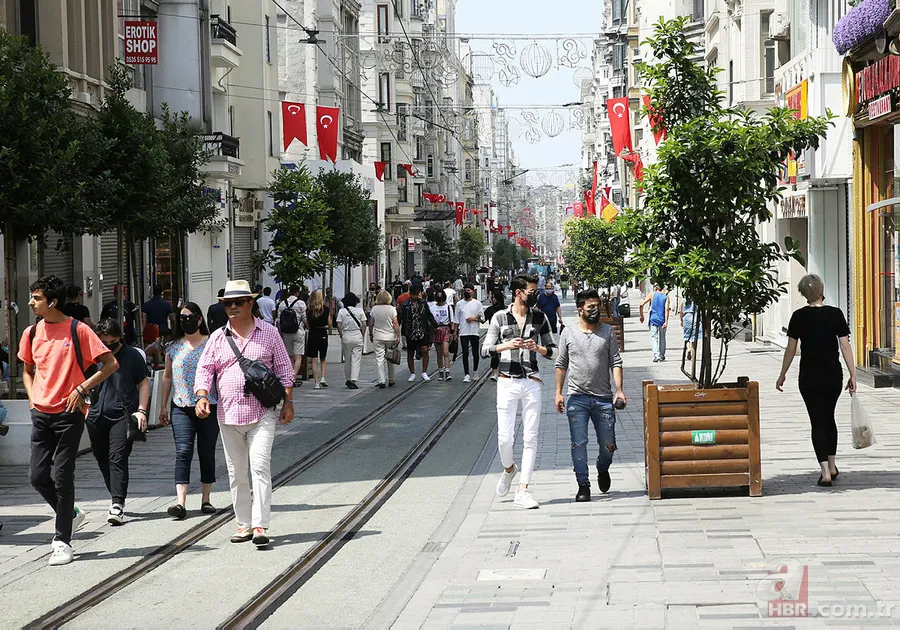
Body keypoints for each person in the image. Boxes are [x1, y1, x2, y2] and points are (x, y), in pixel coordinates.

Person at [19, 275, 118, 565]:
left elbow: (110, 364)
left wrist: (82, 388)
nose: (31, 302)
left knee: (62, 477)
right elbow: (27, 369)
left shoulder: (79, 330)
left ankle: (62, 541)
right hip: (41, 413)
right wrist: (31, 397)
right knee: (37, 477)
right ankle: (72, 514)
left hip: (69, 414)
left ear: (52, 301)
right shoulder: (31, 333)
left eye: (36, 298)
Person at [194, 280, 294, 547]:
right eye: (228, 303)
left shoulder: (270, 333)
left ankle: (260, 525)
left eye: (238, 302)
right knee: (236, 471)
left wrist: (288, 402)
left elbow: (285, 370)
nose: (233, 307)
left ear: (252, 303)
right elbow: (204, 370)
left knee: (259, 466)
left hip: (262, 413)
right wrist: (202, 396)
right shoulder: (217, 337)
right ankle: (244, 524)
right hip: (228, 415)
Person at [481, 273, 556, 509]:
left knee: (530, 437)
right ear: (518, 293)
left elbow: (553, 351)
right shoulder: (500, 318)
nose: (536, 295)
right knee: (505, 438)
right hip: (506, 381)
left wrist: (539, 348)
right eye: (532, 292)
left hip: (532, 380)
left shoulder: (540, 317)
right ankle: (509, 469)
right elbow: (485, 350)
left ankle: (523, 490)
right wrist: (506, 345)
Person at [776, 274, 857, 487]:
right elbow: (845, 346)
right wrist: (853, 374)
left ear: (803, 294)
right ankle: (832, 464)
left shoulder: (799, 317)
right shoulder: (835, 314)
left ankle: (825, 472)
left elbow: (791, 349)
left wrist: (782, 374)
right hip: (833, 375)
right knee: (829, 417)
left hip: (809, 376)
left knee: (817, 421)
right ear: (821, 290)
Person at [555, 289, 626, 502]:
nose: (595, 310)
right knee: (579, 443)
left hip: (604, 399)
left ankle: (602, 468)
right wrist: (558, 393)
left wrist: (619, 390)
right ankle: (583, 485)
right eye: (590, 307)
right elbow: (561, 364)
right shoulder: (568, 333)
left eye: (597, 306)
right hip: (577, 398)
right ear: (580, 310)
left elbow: (615, 361)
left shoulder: (607, 332)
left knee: (608, 445)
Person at [86, 318, 150, 526]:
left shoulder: (132, 356)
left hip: (122, 416)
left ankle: (117, 503)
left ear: (119, 339)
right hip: (95, 415)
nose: (108, 347)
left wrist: (141, 411)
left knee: (117, 457)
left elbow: (143, 383)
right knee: (102, 458)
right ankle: (115, 493)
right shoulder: (92, 355)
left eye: (111, 343)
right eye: (103, 342)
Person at [159, 303, 219, 518]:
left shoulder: (211, 344)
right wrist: (163, 405)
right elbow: (167, 377)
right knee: (183, 452)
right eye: (182, 317)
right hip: (181, 406)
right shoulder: (173, 346)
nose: (186, 321)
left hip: (208, 405)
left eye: (190, 316)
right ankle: (180, 502)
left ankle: (206, 499)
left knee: (206, 450)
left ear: (200, 319)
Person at [399, 281, 438, 382]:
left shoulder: (423, 303)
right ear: (410, 294)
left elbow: (429, 315)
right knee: (410, 352)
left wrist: (435, 325)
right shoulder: (405, 304)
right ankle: (412, 373)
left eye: (417, 294)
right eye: (414, 294)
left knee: (425, 350)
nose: (416, 296)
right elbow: (400, 317)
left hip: (422, 329)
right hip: (410, 330)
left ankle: (424, 372)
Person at [453, 282, 485, 383]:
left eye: (468, 290)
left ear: (473, 292)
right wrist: (454, 333)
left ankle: (475, 371)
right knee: (465, 353)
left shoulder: (477, 303)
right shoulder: (459, 304)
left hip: (474, 331)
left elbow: (482, 319)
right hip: (463, 332)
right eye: (465, 290)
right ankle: (466, 374)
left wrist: (474, 318)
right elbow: (456, 320)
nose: (466, 292)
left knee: (475, 353)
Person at [276, 286, 307, 386]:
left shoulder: (282, 304)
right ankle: (293, 378)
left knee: (289, 356)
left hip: (286, 332)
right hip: (298, 331)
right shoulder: (301, 303)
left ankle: (289, 377)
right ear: (297, 292)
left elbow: (279, 320)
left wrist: (281, 332)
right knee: (298, 357)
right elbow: (304, 318)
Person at [370, 291, 400, 388]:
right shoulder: (392, 309)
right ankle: (391, 379)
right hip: (390, 336)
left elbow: (371, 323)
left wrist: (371, 334)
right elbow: (395, 324)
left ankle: (381, 381)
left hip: (378, 336)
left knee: (380, 359)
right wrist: (398, 336)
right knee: (390, 358)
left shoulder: (374, 309)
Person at [337, 293, 367, 389]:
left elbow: (338, 325)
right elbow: (364, 324)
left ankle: (348, 378)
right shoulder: (360, 311)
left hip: (346, 335)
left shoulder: (341, 311)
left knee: (347, 359)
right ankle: (353, 379)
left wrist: (341, 334)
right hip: (357, 335)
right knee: (356, 359)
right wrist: (362, 334)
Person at [305, 289, 330, 389]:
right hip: (323, 332)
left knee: (314, 359)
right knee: (323, 358)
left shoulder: (309, 310)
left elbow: (307, 324)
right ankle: (323, 377)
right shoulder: (326, 309)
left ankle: (316, 382)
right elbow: (330, 323)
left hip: (313, 333)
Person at [639, 282, 669, 362]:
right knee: (662, 337)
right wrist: (666, 321)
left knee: (654, 337)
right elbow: (666, 309)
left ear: (655, 288)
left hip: (653, 319)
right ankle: (662, 355)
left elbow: (641, 304)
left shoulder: (652, 295)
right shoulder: (666, 297)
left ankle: (656, 355)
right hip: (662, 320)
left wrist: (642, 316)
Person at [430, 288, 454, 381]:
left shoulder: (448, 307)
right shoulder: (432, 308)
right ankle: (440, 371)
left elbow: (452, 320)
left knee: (445, 352)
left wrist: (452, 332)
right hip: (436, 329)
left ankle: (447, 371)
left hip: (445, 329)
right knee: (439, 353)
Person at [484, 289, 506, 381]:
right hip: (500, 334)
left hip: (498, 334)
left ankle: (496, 373)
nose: (491, 299)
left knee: (496, 353)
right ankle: (498, 373)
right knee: (499, 353)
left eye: (493, 298)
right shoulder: (504, 308)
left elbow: (483, 320)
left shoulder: (491, 309)